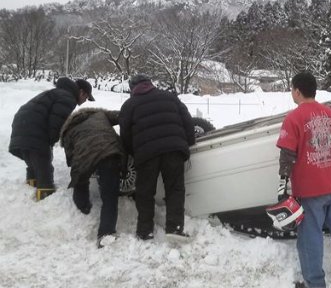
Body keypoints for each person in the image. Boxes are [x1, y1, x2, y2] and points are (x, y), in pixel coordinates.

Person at [276, 71, 331, 288]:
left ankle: (314, 284)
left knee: (310, 234)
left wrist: (282, 187)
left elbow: (287, 154)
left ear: (297, 90)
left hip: (310, 188)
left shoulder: (294, 118)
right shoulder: (330, 114)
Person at [119, 74, 196, 241]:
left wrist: (132, 154)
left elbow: (124, 135)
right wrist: (188, 142)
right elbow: (187, 121)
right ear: (150, 84)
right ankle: (174, 229)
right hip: (174, 150)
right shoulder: (169, 97)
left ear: (133, 88)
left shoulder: (129, 105)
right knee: (175, 189)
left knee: (145, 192)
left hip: (146, 154)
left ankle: (145, 231)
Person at [9, 77, 94, 201]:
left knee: (34, 164)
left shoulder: (58, 93)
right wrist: (52, 141)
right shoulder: (68, 98)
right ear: (81, 92)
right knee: (44, 166)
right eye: (86, 98)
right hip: (33, 128)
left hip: (21, 126)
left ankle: (30, 189)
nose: (85, 101)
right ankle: (45, 198)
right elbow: (56, 122)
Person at [60, 108, 123, 248]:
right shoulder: (99, 114)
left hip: (83, 157)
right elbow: (121, 116)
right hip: (109, 150)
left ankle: (84, 208)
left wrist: (81, 172)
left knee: (80, 182)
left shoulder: (67, 131)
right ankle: (105, 234)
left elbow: (70, 159)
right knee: (110, 197)